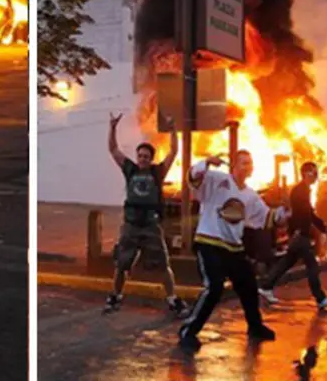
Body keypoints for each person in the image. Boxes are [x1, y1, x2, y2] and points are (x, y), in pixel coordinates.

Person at [178, 150, 284, 351]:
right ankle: (188, 331)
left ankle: (255, 327)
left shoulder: (251, 196)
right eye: (243, 162)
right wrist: (207, 161)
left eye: (250, 163)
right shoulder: (216, 180)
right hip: (209, 242)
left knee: (249, 285)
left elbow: (266, 219)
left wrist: (283, 213)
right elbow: (193, 177)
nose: (247, 166)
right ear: (233, 165)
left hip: (233, 247)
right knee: (214, 287)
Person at [105, 112, 186, 316]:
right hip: (131, 225)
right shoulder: (130, 170)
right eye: (140, 155)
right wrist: (113, 128)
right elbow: (113, 150)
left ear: (151, 159)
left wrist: (173, 129)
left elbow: (173, 152)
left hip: (151, 226)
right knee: (122, 263)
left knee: (163, 265)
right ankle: (116, 295)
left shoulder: (157, 172)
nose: (142, 159)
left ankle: (172, 298)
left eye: (146, 157)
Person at [257, 162, 327, 309]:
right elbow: (299, 214)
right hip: (300, 235)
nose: (316, 177)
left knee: (287, 262)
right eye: (314, 173)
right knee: (312, 266)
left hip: (299, 235)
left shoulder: (303, 190)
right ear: (306, 173)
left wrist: (322, 226)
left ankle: (266, 286)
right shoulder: (300, 191)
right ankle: (320, 298)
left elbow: (310, 213)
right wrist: (298, 231)